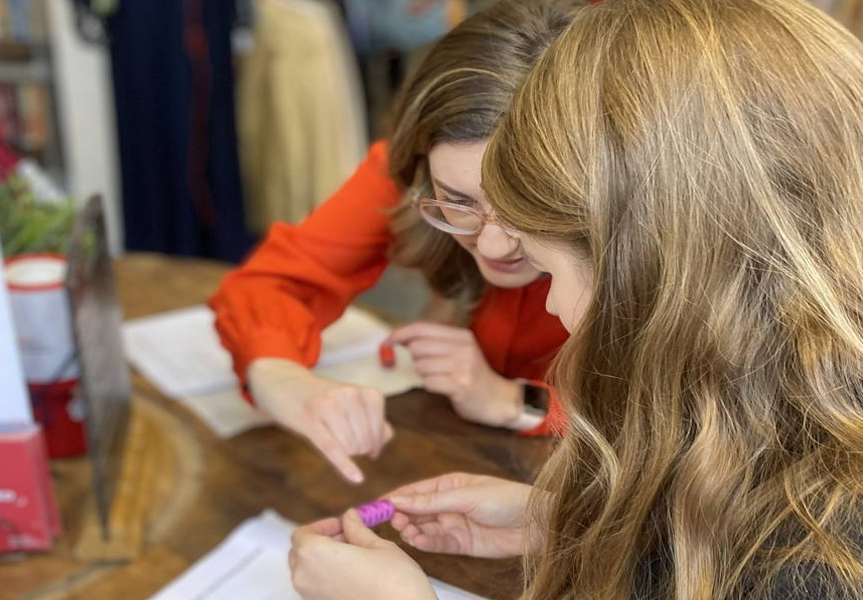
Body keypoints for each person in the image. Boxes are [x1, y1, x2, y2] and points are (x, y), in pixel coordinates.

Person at [288, 0, 863, 597]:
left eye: (554, 266)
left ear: (669, 271)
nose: (556, 306)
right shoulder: (787, 422)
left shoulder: (818, 553)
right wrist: (566, 521)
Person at [210, 0, 582, 484]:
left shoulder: (657, 220)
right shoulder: (406, 170)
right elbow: (274, 282)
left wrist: (516, 402)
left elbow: (680, 417)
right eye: (457, 201)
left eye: (524, 207)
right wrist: (280, 376)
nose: (492, 247)